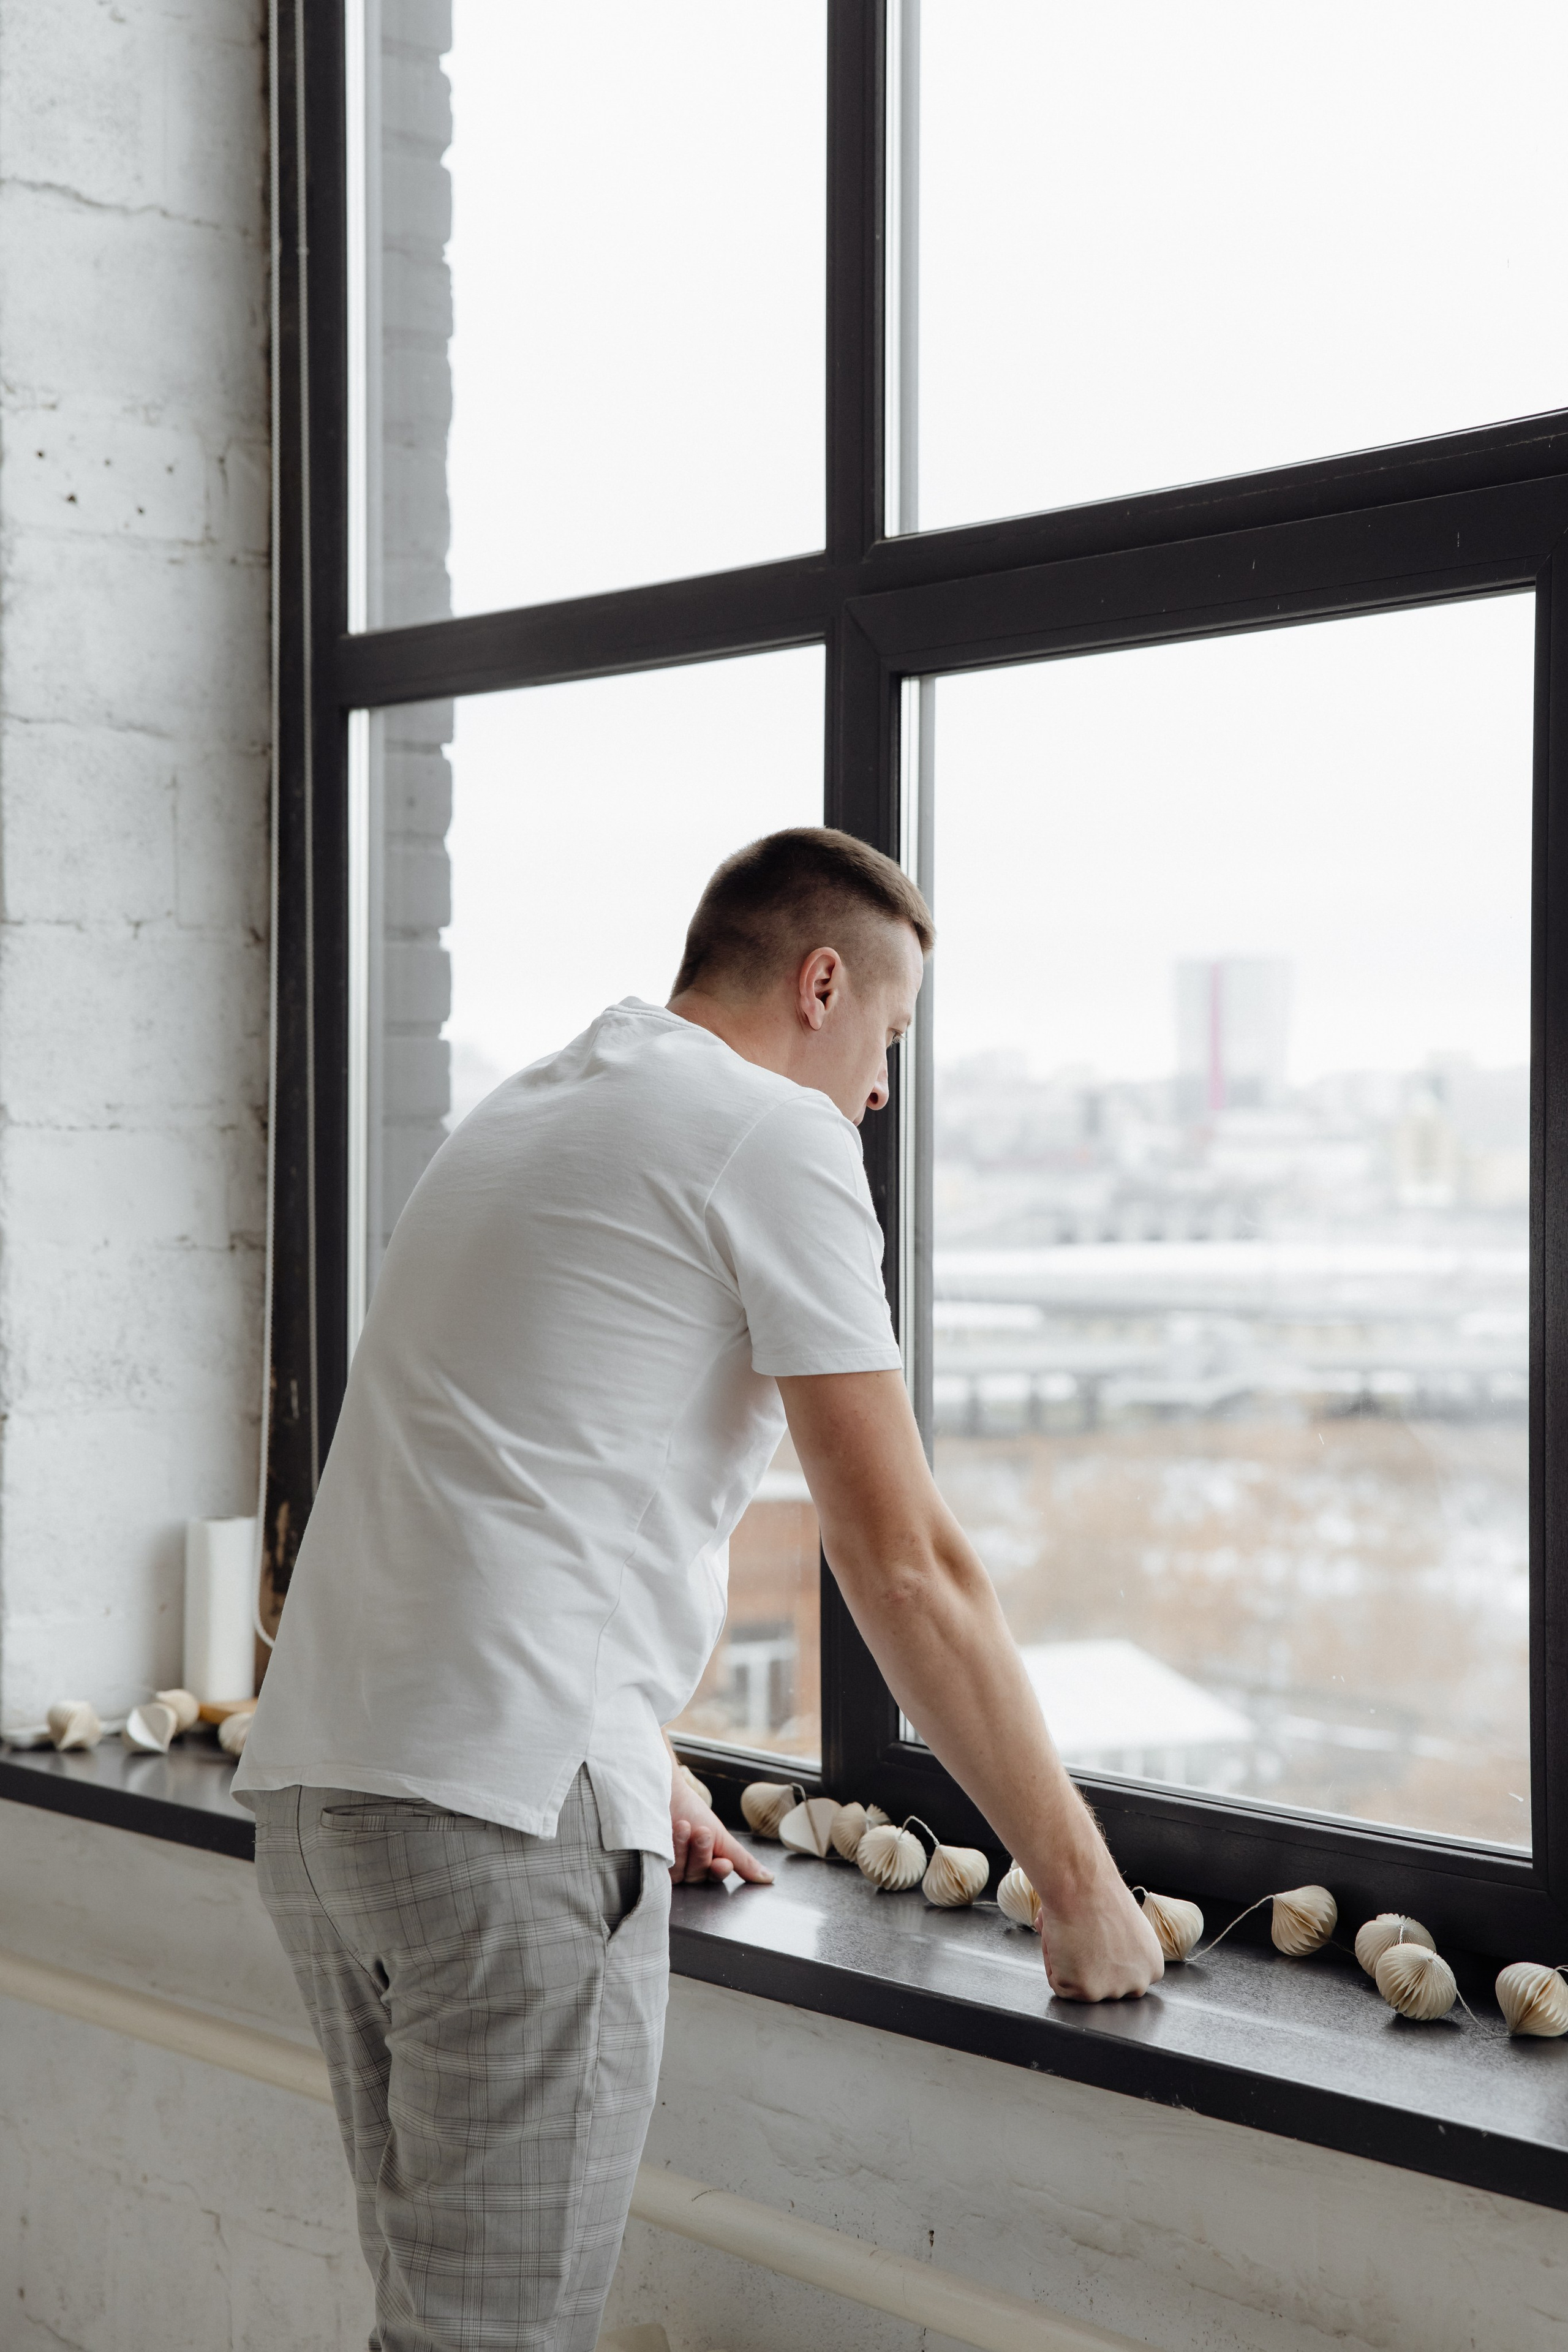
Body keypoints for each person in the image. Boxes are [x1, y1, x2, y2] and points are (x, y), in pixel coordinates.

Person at [235, 826, 1162, 2352]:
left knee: (435, 2327)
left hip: (332, 1793)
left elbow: (496, 1461)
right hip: (499, 1825)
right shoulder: (771, 1135)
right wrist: (1077, 1887)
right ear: (819, 984)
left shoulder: (536, 1103)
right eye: (889, 1040)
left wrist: (632, 1742)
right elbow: (903, 1562)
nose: (877, 1095)